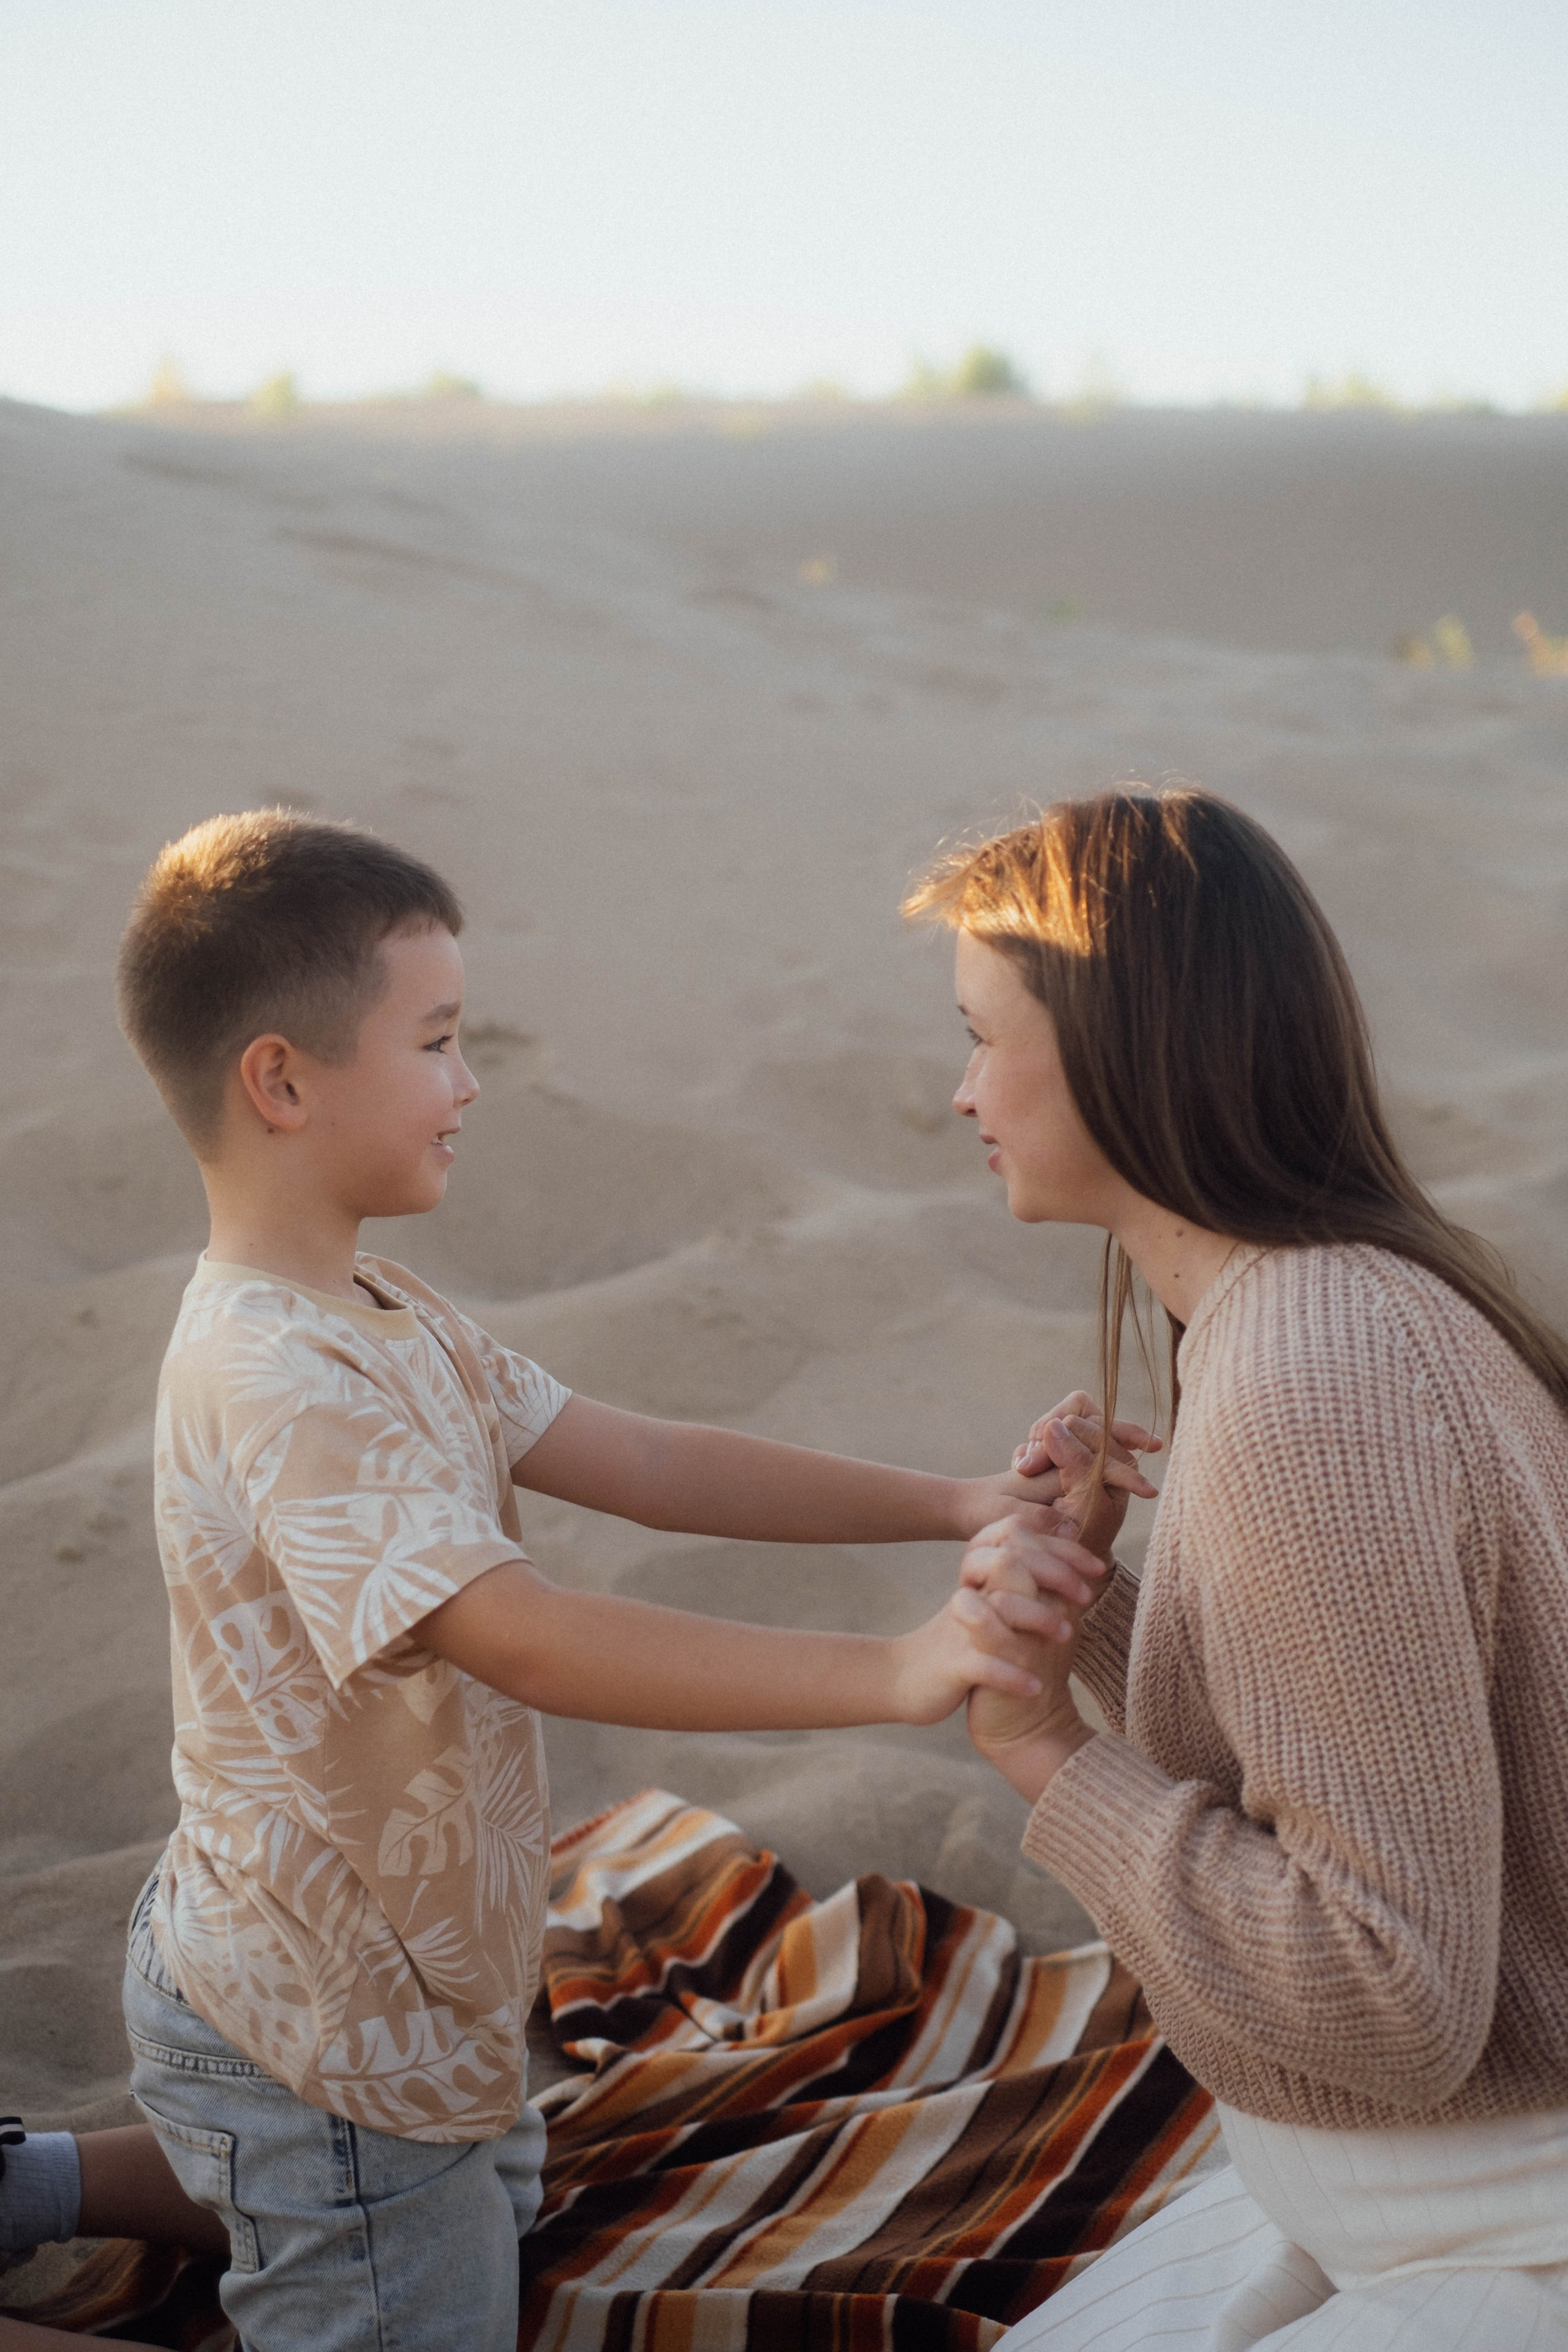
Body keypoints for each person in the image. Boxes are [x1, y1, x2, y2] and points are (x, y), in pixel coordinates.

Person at [92, 807, 1123, 2352]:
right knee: (371, 2207)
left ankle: (43, 2187)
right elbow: (535, 1640)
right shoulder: (276, 1376)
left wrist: (956, 1499)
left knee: (464, 2196)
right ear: (282, 1081)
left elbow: (637, 1457)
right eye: (437, 1041)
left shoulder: (373, 1303)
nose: (471, 1081)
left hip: (395, 1978)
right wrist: (902, 1671)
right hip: (318, 2023)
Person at [917, 786, 1568, 2346]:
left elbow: (1384, 1992)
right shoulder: (1319, 1306)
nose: (957, 1095)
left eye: (977, 1035)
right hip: (1394, 2194)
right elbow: (1364, 1733)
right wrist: (1091, 1616)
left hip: (1493, 2215)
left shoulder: (1309, 1387)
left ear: (1120, 1047)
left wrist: (1046, 1760)